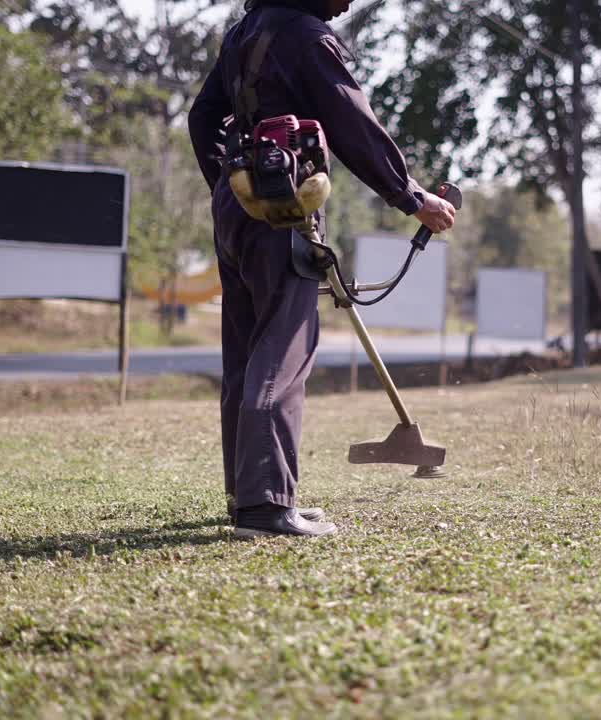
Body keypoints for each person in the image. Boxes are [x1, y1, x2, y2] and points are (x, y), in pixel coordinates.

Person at [187, 0, 456, 538]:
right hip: (282, 207)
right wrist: (410, 195)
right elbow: (352, 124)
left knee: (246, 352)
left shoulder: (244, 32)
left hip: (236, 207)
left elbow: (202, 119)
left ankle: (246, 495)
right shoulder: (306, 37)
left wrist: (231, 185)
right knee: (283, 348)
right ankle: (265, 508)